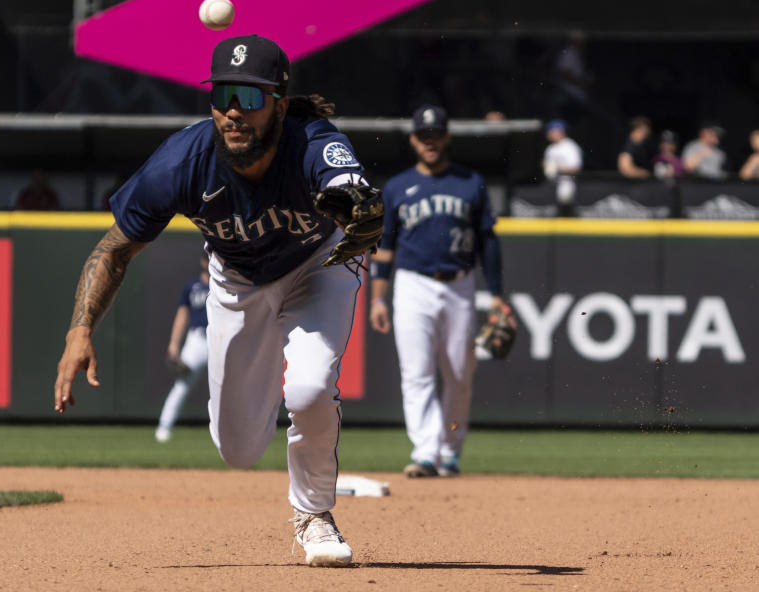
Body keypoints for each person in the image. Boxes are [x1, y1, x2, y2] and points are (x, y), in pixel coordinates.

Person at [53, 34, 379, 568]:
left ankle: (314, 515)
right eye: (223, 94)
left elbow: (349, 187)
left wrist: (354, 201)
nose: (233, 110)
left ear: (277, 99)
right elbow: (113, 251)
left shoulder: (313, 142)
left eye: (249, 97)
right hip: (237, 282)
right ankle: (267, 383)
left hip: (316, 266)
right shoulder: (182, 161)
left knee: (310, 386)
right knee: (238, 449)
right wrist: (79, 329)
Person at [368, 104, 506, 479]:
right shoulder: (397, 187)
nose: (430, 141)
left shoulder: (470, 182)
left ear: (447, 137)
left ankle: (450, 451)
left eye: (436, 135)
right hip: (412, 285)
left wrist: (496, 294)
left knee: (460, 372)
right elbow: (384, 248)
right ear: (413, 140)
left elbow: (488, 242)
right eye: (423, 135)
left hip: (459, 284)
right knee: (416, 373)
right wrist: (378, 297)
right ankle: (426, 451)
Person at [155, 254, 210, 443]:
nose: (209, 261)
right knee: (182, 385)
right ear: (203, 261)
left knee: (228, 388)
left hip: (220, 340)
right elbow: (182, 316)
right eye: (207, 258)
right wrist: (173, 345)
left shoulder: (226, 286)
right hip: (197, 340)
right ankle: (164, 426)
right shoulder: (192, 287)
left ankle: (231, 436)